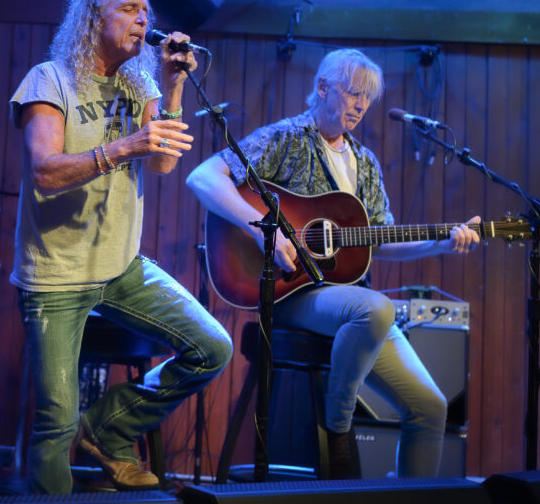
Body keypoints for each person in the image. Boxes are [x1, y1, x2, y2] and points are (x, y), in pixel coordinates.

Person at [186, 48, 481, 478]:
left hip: (350, 303)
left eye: (368, 98)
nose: (361, 106)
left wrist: (439, 244)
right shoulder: (284, 138)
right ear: (322, 88)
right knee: (376, 307)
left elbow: (379, 241)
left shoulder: (364, 163)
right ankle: (337, 425)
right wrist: (262, 228)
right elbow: (203, 177)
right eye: (353, 94)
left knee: (431, 407)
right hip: (291, 292)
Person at [9, 0, 233, 493]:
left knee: (212, 348)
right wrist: (125, 146)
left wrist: (173, 83)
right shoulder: (50, 79)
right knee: (53, 424)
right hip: (55, 275)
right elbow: (45, 170)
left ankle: (106, 429)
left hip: (120, 265)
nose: (142, 20)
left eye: (146, 12)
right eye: (129, 10)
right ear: (94, 17)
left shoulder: (140, 81)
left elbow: (161, 163)